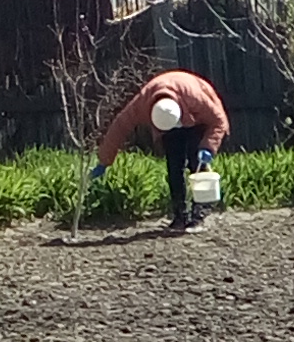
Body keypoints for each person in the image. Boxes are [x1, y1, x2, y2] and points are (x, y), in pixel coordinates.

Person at [92, 64, 229, 233]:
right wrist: (105, 161)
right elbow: (119, 127)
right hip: (169, 123)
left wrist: (208, 146)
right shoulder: (142, 104)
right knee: (174, 167)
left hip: (196, 119)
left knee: (196, 163)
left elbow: (219, 120)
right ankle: (179, 216)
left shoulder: (196, 98)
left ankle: (199, 215)